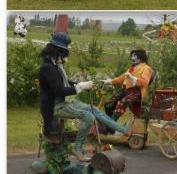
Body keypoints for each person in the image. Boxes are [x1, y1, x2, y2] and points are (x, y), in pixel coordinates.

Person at [39, 32, 131, 162]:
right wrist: (81, 86)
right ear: (57, 51)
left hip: (66, 103)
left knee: (94, 109)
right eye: (64, 53)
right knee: (88, 117)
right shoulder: (48, 68)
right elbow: (59, 90)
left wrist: (82, 84)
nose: (65, 57)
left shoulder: (55, 66)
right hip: (55, 106)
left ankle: (121, 129)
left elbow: (65, 83)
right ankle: (77, 149)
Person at [102, 48, 153, 125]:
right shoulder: (131, 68)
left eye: (134, 56)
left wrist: (133, 78)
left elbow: (145, 82)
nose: (132, 58)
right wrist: (108, 82)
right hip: (126, 91)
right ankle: (108, 124)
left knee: (122, 103)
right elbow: (121, 78)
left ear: (141, 57)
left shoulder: (146, 68)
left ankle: (110, 126)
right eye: (132, 56)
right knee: (109, 104)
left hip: (136, 92)